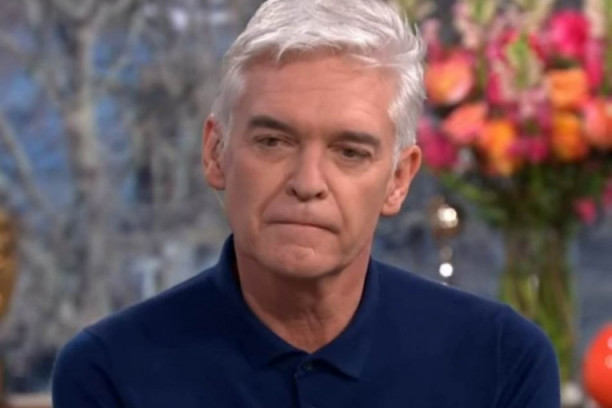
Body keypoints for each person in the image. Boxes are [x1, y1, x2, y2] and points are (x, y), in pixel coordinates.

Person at [52, 0, 560, 406]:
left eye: (350, 152)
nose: (307, 182)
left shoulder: (501, 362)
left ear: (398, 180)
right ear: (215, 153)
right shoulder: (109, 373)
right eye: (273, 142)